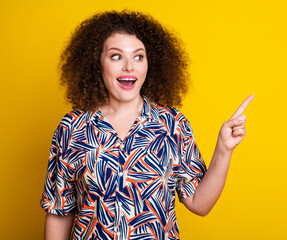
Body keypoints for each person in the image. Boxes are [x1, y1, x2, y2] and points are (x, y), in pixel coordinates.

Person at [40, 10, 254, 240]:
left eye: (138, 57)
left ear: (149, 64)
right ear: (97, 63)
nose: (129, 67)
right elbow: (59, 211)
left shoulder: (172, 125)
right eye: (116, 56)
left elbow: (200, 204)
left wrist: (224, 149)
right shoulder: (72, 128)